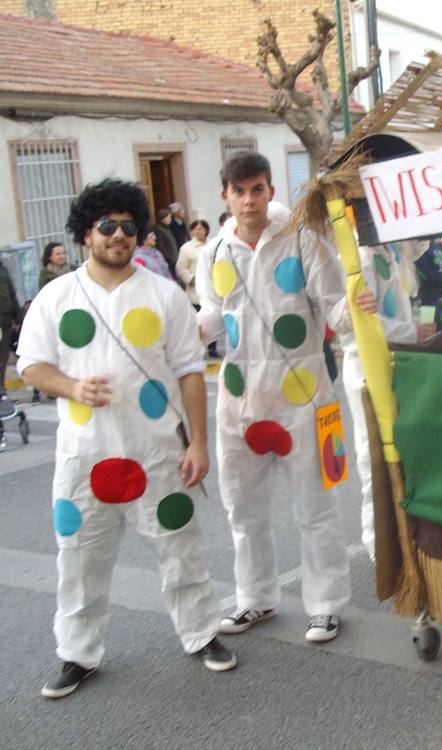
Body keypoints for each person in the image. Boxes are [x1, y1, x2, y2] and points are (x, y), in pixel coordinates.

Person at [16, 178, 236, 699]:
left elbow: (189, 372)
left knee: (181, 551)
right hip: (82, 459)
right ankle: (77, 654)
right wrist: (71, 385)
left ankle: (202, 634)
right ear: (85, 233)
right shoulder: (56, 296)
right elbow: (30, 365)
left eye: (129, 226)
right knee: (79, 560)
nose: (119, 234)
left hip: (157, 451)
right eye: (107, 225)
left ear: (140, 234)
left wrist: (198, 444)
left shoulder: (164, 296)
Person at [196, 152, 363, 643]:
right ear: (225, 195)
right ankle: (255, 599)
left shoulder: (303, 239)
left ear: (271, 190)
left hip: (306, 395)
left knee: (316, 507)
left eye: (258, 189)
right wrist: (171, 335)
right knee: (242, 509)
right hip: (238, 399)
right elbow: (210, 313)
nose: (249, 200)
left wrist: (362, 313)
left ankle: (327, 604)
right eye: (239, 191)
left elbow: (333, 307)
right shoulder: (213, 253)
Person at [341, 243, 434, 559]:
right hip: (367, 368)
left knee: (405, 452)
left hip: (400, 365)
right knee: (373, 454)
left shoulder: (399, 252)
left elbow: (421, 240)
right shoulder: (361, 258)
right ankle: (378, 544)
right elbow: (358, 325)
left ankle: (405, 534)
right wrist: (412, 331)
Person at [0, 259, 22, 401]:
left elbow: (12, 293)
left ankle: (1, 393)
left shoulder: (2, 268)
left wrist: (18, 319)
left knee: (2, 360)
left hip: (5, 322)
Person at [177, 220, 210, 308]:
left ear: (206, 230)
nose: (197, 232)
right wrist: (192, 280)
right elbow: (181, 268)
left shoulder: (212, 245)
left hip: (213, 289)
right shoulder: (186, 248)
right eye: (194, 229)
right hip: (196, 292)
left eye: (200, 229)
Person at [152, 208, 180, 278]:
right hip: (169, 262)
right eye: (168, 217)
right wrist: (170, 259)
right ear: (163, 218)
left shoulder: (167, 228)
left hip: (174, 261)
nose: (170, 219)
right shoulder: (159, 229)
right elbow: (161, 247)